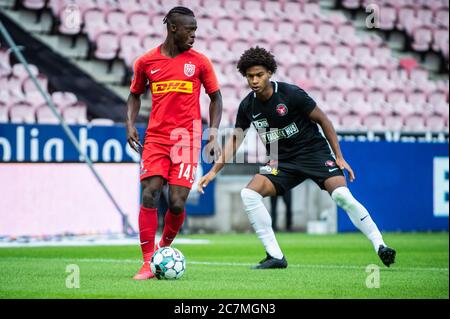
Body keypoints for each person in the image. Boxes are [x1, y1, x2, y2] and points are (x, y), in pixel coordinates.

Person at [198, 47, 396, 269]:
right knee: (249, 194)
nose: (254, 80)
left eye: (259, 75)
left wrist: (339, 157)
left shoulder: (291, 94)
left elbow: (324, 121)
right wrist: (213, 171)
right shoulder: (248, 106)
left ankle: (380, 245)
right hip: (282, 162)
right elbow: (236, 140)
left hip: (314, 153)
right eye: (250, 76)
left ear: (270, 73)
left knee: (342, 196)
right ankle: (275, 256)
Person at [126, 6, 222, 280]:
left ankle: (161, 252)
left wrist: (213, 131)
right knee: (150, 192)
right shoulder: (146, 62)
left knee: (177, 202)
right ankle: (147, 262)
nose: (194, 35)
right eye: (189, 30)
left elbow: (216, 98)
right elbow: (135, 95)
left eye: (195, 30)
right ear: (173, 28)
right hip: (156, 138)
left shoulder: (200, 62)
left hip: (187, 139)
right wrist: (130, 123)